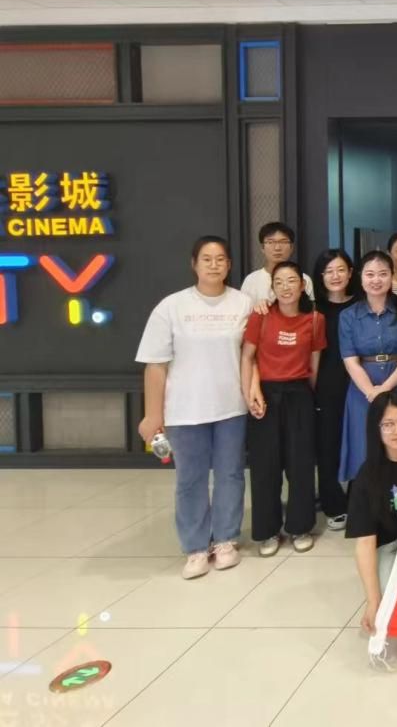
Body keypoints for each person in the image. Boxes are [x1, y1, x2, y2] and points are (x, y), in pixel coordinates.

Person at [135, 236, 252, 579]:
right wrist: (153, 415)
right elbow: (155, 365)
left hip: (231, 407)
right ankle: (196, 546)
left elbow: (252, 355)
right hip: (184, 410)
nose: (214, 265)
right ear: (194, 264)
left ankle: (226, 539)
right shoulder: (172, 307)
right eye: (207, 259)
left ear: (229, 264)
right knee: (190, 479)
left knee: (231, 474)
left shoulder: (243, 303)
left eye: (220, 259)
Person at [240, 262, 325, 556]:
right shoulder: (261, 316)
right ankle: (267, 531)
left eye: (291, 281)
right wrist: (249, 393)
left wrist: (307, 396)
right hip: (265, 395)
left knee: (301, 465)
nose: (286, 287)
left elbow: (314, 365)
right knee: (265, 466)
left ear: (302, 285)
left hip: (299, 395)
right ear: (272, 287)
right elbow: (247, 357)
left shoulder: (315, 319)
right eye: (279, 282)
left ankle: (300, 526)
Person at [338, 251, 397, 482]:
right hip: (363, 392)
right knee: (365, 447)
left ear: (392, 276)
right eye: (370, 274)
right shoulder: (348, 315)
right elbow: (350, 360)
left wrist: (385, 389)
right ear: (360, 277)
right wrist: (371, 392)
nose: (376, 280)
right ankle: (368, 498)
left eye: (383, 274)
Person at [348, 391, 397, 635]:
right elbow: (365, 542)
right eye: (388, 424)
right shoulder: (367, 477)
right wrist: (373, 600)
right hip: (392, 548)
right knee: (393, 600)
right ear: (376, 428)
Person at [312, 249, 356, 530]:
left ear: (350, 273)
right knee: (328, 445)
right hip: (326, 383)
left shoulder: (362, 304)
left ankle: (359, 500)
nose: (335, 276)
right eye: (329, 271)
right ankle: (333, 504)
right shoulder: (312, 309)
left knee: (361, 442)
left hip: (360, 381)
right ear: (321, 276)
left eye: (341, 269)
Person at [240, 222, 314, 305]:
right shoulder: (251, 280)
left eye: (283, 242)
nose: (277, 248)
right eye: (270, 242)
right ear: (262, 248)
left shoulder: (304, 279)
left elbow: (309, 309)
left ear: (291, 247)